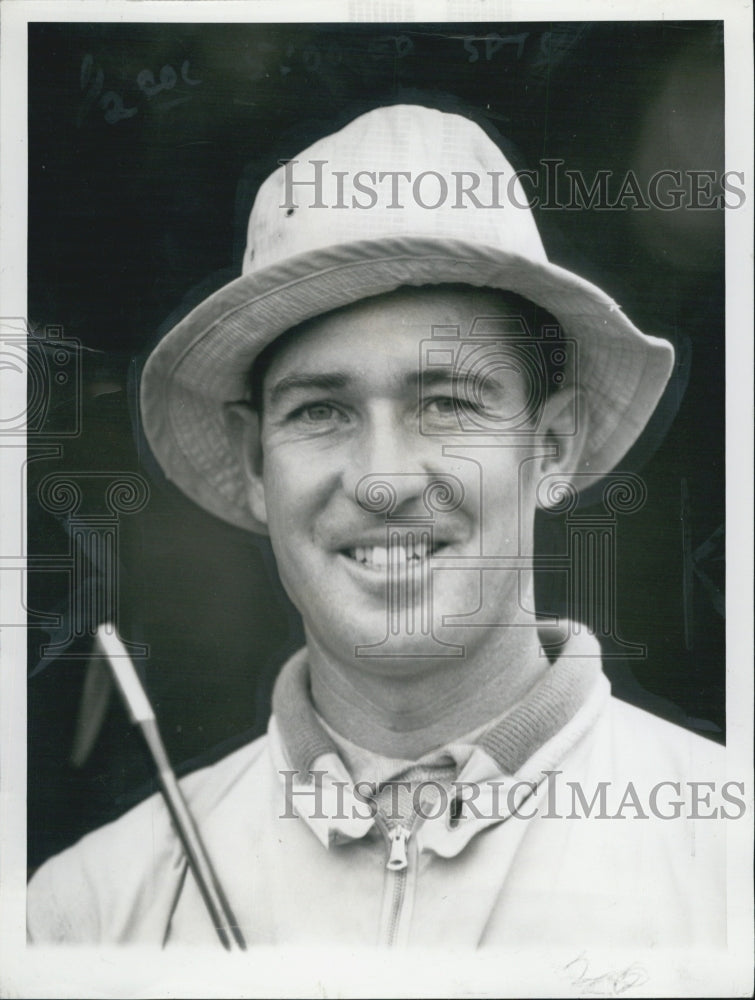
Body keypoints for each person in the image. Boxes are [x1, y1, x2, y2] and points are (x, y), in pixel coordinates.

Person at [27, 103, 727, 948]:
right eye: (321, 410)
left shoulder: (726, 861)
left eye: (445, 403)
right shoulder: (88, 913)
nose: (384, 481)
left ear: (549, 445)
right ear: (255, 464)